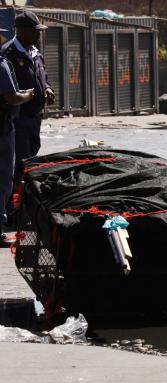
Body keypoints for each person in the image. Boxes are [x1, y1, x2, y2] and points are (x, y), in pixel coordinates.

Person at [1, 10, 53, 164]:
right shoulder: (8, 54)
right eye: (35, 31)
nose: (39, 35)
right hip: (17, 119)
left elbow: (43, 78)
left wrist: (48, 88)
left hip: (34, 118)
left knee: (32, 156)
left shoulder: (35, 53)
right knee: (19, 162)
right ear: (21, 31)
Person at [0, 25, 36, 246]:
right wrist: (27, 95)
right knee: (3, 179)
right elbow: (11, 98)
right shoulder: (1, 64)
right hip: (2, 130)